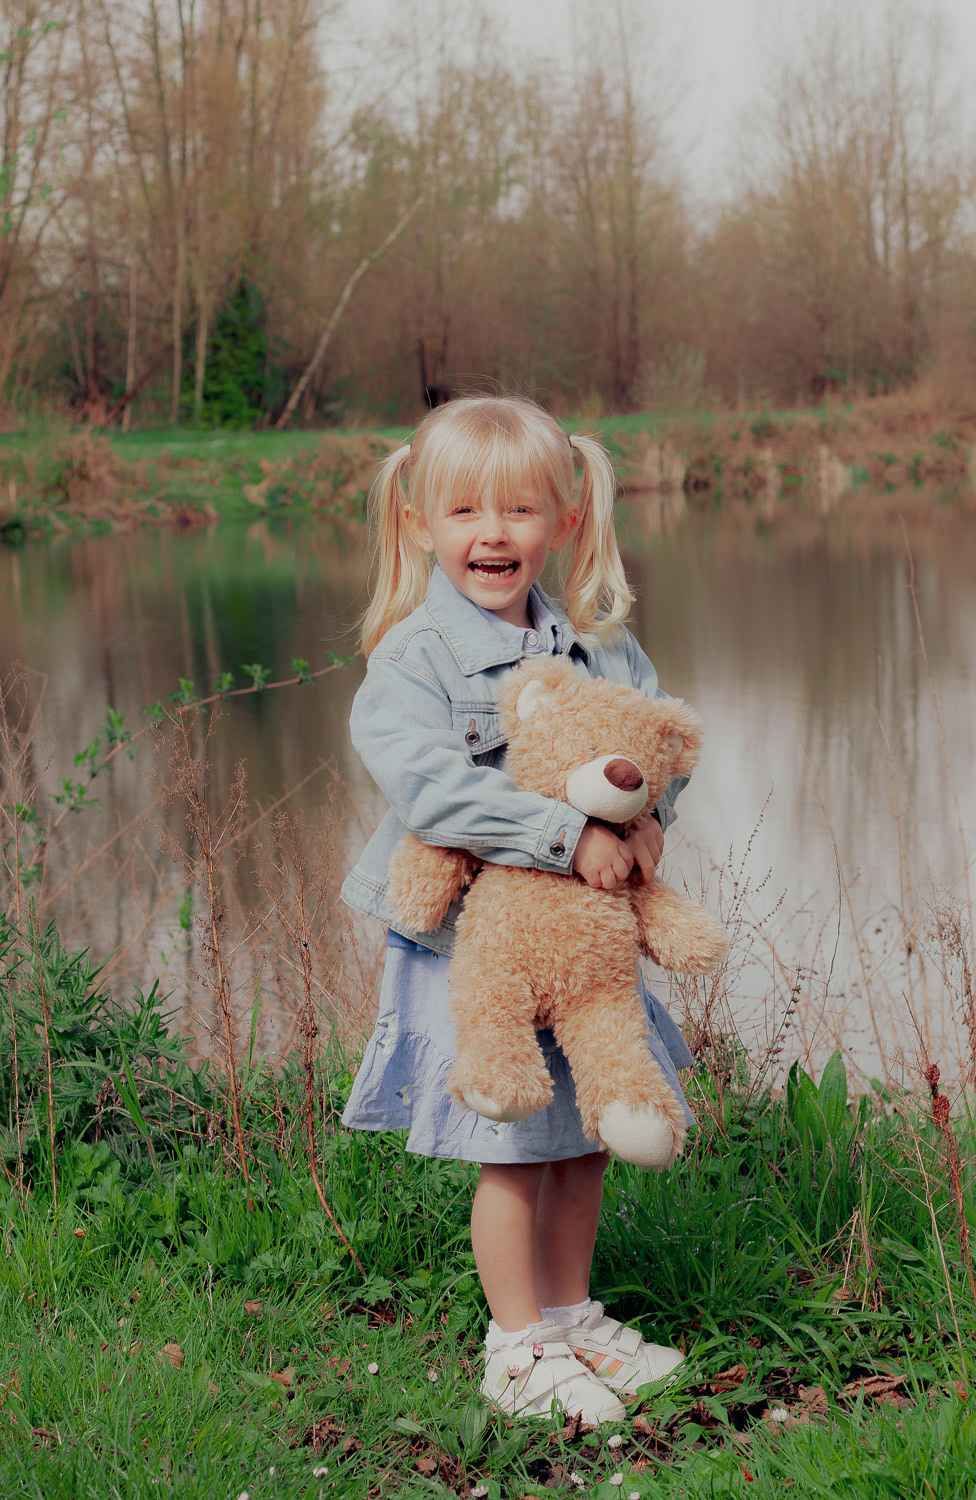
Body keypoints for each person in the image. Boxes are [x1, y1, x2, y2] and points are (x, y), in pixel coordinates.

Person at [341, 395, 696, 1423]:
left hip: (584, 942)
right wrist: (564, 836)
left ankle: (573, 1316)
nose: (491, 534)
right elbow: (432, 790)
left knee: (583, 1134)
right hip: (475, 945)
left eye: (518, 511)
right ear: (418, 523)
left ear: (566, 519)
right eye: (463, 513)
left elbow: (656, 743)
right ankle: (516, 1346)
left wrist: (650, 821)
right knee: (511, 1145)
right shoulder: (414, 660)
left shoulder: (601, 645)